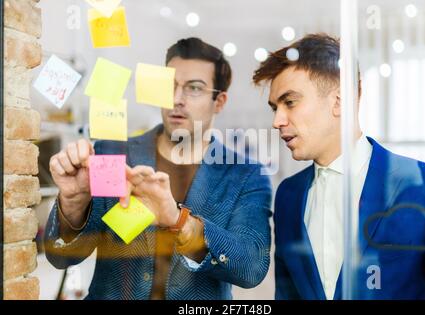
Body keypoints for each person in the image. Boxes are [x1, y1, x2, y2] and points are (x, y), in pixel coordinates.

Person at [45, 37, 272, 300]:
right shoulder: (113, 153)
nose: (176, 99)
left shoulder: (245, 174)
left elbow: (251, 268)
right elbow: (62, 258)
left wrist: (180, 223)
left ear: (219, 102)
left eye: (194, 88)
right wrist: (74, 202)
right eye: (169, 86)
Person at [253, 33, 425, 300]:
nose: (277, 120)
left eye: (289, 102)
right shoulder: (289, 194)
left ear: (339, 101)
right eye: (274, 108)